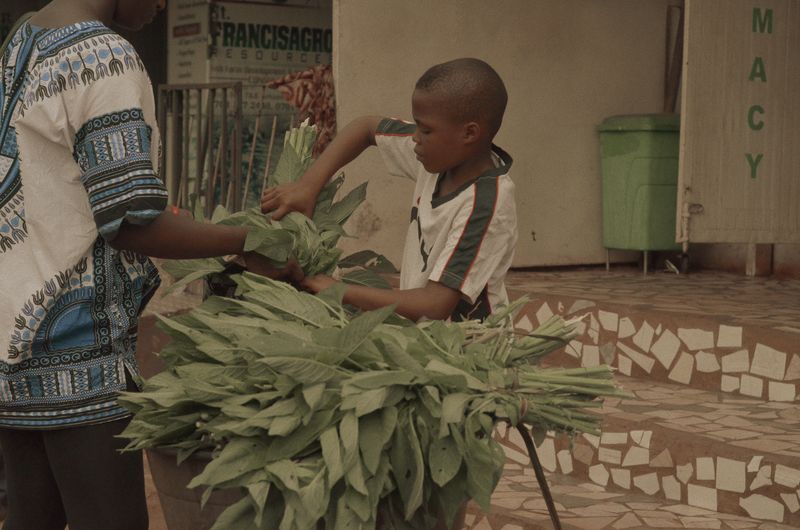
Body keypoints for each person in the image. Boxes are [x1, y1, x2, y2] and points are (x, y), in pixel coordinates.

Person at [0, 1, 295, 529]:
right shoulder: (105, 54)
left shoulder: (24, 36)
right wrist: (253, 238)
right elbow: (131, 221)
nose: (163, 3)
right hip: (81, 353)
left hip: (12, 341)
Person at [262, 58, 517, 323]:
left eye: (426, 129)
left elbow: (436, 303)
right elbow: (365, 128)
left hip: (470, 350)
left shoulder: (486, 203)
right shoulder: (441, 155)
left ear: (469, 133)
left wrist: (340, 290)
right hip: (425, 336)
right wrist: (308, 186)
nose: (415, 137)